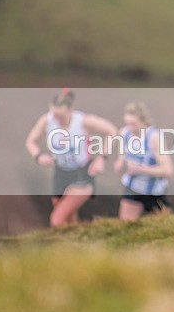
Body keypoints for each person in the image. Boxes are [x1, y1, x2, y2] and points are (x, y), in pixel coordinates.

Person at [25, 89, 117, 227]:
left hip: (82, 174)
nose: (58, 120)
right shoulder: (46, 121)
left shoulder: (84, 121)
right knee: (69, 221)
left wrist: (101, 159)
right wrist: (39, 156)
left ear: (71, 110)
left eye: (61, 117)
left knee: (57, 219)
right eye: (55, 115)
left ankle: (62, 245)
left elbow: (112, 132)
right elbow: (31, 141)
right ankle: (78, 244)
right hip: (60, 173)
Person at [114, 101, 173, 220]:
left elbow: (168, 171)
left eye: (133, 124)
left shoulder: (154, 138)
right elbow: (123, 148)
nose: (130, 128)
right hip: (132, 187)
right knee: (125, 226)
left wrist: (140, 169)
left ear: (143, 121)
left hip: (154, 192)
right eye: (127, 124)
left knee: (162, 228)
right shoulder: (125, 132)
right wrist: (119, 161)